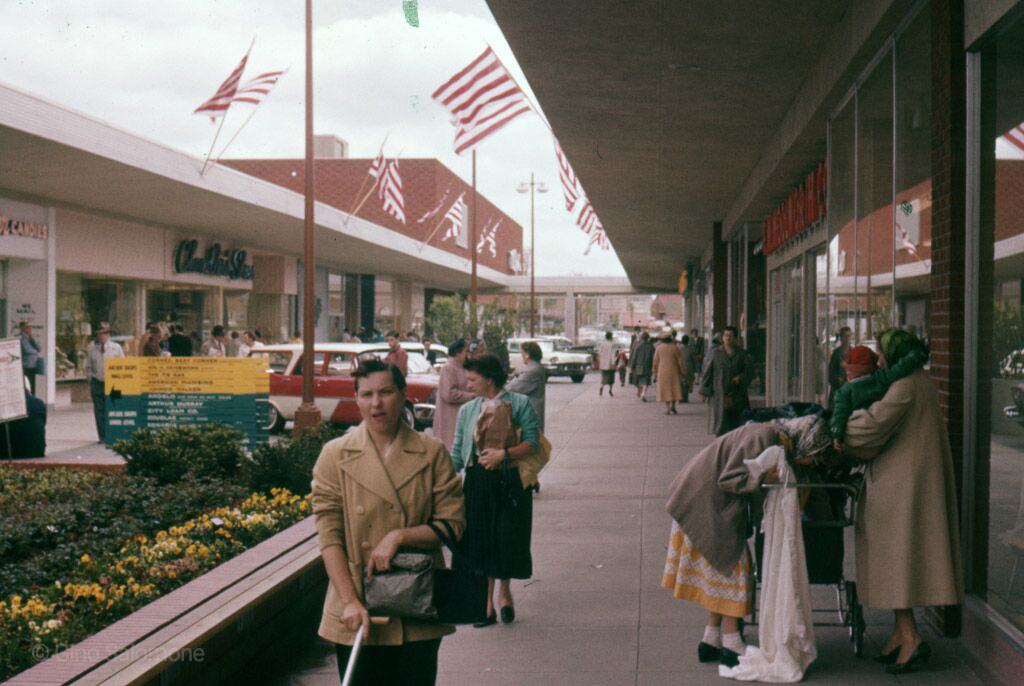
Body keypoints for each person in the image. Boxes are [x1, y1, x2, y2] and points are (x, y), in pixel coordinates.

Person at [311, 359, 465, 686]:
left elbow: (453, 524)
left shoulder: (432, 452)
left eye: (385, 392)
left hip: (417, 608)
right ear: (356, 399)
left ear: (403, 394)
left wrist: (398, 535)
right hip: (358, 607)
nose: (376, 403)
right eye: (366, 394)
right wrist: (350, 601)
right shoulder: (334, 455)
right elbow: (329, 538)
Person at [839, 329, 963, 674]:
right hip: (907, 484)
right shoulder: (916, 381)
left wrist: (841, 423)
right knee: (899, 563)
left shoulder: (905, 385)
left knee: (897, 562)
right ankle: (899, 633)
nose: (879, 360)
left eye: (882, 353)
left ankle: (911, 639)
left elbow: (871, 428)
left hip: (902, 490)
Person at [663, 415, 832, 669]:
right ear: (807, 442)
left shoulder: (770, 436)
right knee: (736, 571)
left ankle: (710, 640)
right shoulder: (763, 436)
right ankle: (732, 642)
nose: (812, 461)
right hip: (705, 504)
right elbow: (729, 478)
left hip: (703, 501)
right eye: (814, 455)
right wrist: (765, 481)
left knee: (719, 574)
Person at [451, 353, 540, 627]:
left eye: (473, 380)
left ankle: (505, 592)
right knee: (482, 540)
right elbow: (457, 450)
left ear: (489, 380)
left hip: (509, 481)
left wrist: (504, 454)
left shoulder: (519, 404)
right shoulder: (468, 410)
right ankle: (486, 604)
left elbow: (532, 442)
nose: (468, 385)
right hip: (477, 481)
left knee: (505, 539)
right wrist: (444, 476)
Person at [829, 343, 928, 451]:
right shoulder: (880, 378)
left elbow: (839, 414)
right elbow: (899, 368)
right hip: (883, 435)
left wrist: (836, 435)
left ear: (851, 371)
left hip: (860, 437)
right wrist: (914, 356)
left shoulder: (845, 391)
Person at [700, 326, 753, 436]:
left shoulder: (742, 354)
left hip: (737, 394)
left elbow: (749, 372)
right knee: (720, 423)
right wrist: (704, 391)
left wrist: (741, 377)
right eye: (725, 335)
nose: (727, 338)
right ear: (722, 338)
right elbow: (707, 373)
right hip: (719, 392)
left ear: (735, 338)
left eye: (730, 336)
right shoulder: (715, 353)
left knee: (737, 423)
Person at [85, 322, 124, 443]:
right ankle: (102, 436)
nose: (101, 336)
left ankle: (113, 434)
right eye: (99, 334)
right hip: (97, 382)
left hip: (112, 383)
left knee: (112, 408)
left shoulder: (116, 348)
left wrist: (119, 381)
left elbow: (122, 365)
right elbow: (88, 366)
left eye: (103, 334)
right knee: (99, 410)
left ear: (108, 335)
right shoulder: (92, 348)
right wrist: (90, 379)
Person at [434, 339, 475, 451]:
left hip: (461, 414)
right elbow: (448, 394)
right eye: (465, 351)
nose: (468, 355)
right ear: (457, 352)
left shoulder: (462, 366)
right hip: (450, 416)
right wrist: (471, 396)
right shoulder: (448, 368)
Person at [506, 341, 546, 432]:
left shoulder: (532, 370)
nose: (521, 356)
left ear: (527, 354)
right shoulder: (535, 368)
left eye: (522, 353)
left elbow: (513, 388)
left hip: (530, 416)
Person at [653, 332, 685, 415]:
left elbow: (655, 362)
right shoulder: (675, 347)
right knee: (674, 388)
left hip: (662, 371)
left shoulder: (659, 348)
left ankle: (667, 409)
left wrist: (655, 372)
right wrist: (683, 371)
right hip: (674, 371)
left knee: (665, 389)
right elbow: (680, 361)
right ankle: (673, 406)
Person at [828, 326, 852, 408]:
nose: (847, 338)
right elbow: (830, 372)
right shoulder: (836, 353)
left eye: (849, 336)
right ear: (841, 338)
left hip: (849, 388)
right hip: (837, 388)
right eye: (845, 336)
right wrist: (837, 379)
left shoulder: (853, 352)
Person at [629, 332, 655, 401]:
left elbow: (634, 357)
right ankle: (643, 393)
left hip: (638, 366)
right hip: (648, 366)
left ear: (641, 338)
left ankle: (639, 391)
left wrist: (632, 367)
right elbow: (653, 357)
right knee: (646, 382)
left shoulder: (638, 345)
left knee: (637, 381)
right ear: (648, 338)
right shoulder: (651, 346)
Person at [19, 322, 41, 395]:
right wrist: (35, 352)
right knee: (28, 384)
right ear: (22, 328)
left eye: (29, 327)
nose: (29, 329)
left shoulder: (30, 338)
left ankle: (33, 398)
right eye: (27, 327)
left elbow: (39, 348)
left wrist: (32, 338)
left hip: (33, 365)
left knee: (32, 384)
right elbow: (27, 350)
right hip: (27, 365)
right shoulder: (21, 338)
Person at [596, 331, 616, 397]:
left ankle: (601, 386)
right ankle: (610, 390)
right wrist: (613, 363)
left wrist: (599, 362)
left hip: (603, 364)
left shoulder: (602, 343)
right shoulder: (612, 344)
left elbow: (599, 353)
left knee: (604, 377)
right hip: (610, 364)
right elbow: (612, 355)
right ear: (610, 337)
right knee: (611, 378)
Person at [679, 334, 697, 402]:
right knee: (687, 383)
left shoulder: (678, 348)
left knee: (681, 382)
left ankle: (680, 397)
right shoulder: (690, 349)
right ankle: (685, 398)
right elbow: (694, 359)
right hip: (689, 368)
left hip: (680, 367)